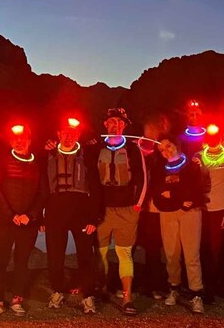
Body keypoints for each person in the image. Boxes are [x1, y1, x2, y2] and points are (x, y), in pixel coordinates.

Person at [44, 117, 103, 314]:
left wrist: (93, 217)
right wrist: (41, 217)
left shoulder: (88, 155)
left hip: (81, 209)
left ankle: (88, 296)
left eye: (73, 133)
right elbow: (42, 187)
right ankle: (57, 290)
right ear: (58, 135)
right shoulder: (48, 154)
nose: (68, 136)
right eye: (64, 133)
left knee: (85, 254)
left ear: (78, 135)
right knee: (55, 255)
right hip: (55, 209)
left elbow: (95, 187)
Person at [0, 123, 48, 317]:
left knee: (22, 262)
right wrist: (11, 215)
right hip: (3, 221)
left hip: (26, 223)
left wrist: (30, 215)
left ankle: (16, 299)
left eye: (23, 139)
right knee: (0, 262)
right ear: (11, 142)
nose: (19, 142)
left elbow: (42, 193)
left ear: (30, 141)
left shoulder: (37, 163)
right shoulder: (2, 162)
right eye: (15, 139)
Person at [95, 108, 146, 315]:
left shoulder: (134, 150)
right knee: (101, 252)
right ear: (105, 125)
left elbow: (143, 178)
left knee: (124, 253)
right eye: (111, 121)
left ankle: (127, 297)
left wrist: (137, 207)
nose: (115, 125)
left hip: (127, 210)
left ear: (124, 126)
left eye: (119, 122)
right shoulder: (95, 148)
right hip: (103, 210)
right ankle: (103, 287)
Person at [150, 139, 205, 314]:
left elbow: (195, 189)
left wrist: (173, 193)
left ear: (176, 145)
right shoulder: (159, 168)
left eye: (168, 146)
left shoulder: (191, 165)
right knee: (171, 253)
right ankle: (174, 287)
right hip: (168, 214)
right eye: (161, 149)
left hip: (190, 213)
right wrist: (181, 198)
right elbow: (158, 193)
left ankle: (196, 293)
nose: (166, 151)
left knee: (191, 254)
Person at [194, 120, 224, 301]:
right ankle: (204, 284)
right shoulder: (198, 156)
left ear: (221, 137)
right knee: (202, 247)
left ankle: (218, 283)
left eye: (215, 136)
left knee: (218, 249)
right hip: (201, 209)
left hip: (220, 210)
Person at [135, 115, 168, 300]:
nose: (150, 134)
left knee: (153, 248)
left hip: (154, 208)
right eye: (148, 131)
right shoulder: (136, 150)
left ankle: (153, 284)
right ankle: (128, 283)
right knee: (130, 245)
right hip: (137, 206)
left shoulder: (161, 154)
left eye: (154, 131)